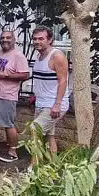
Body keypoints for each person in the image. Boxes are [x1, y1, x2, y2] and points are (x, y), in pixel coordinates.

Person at [0, 31, 30, 162]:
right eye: (2, 37)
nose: (5, 40)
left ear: (14, 40)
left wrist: (6, 76)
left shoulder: (18, 56)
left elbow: (25, 75)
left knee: (8, 124)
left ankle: (13, 151)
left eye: (8, 37)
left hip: (7, 95)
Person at [29, 25, 70, 155]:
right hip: (41, 102)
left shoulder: (57, 56)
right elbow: (43, 80)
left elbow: (63, 81)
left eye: (41, 38)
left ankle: (34, 167)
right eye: (35, 39)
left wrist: (57, 105)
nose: (37, 42)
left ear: (50, 40)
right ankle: (53, 164)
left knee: (35, 130)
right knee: (49, 136)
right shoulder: (39, 56)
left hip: (54, 104)